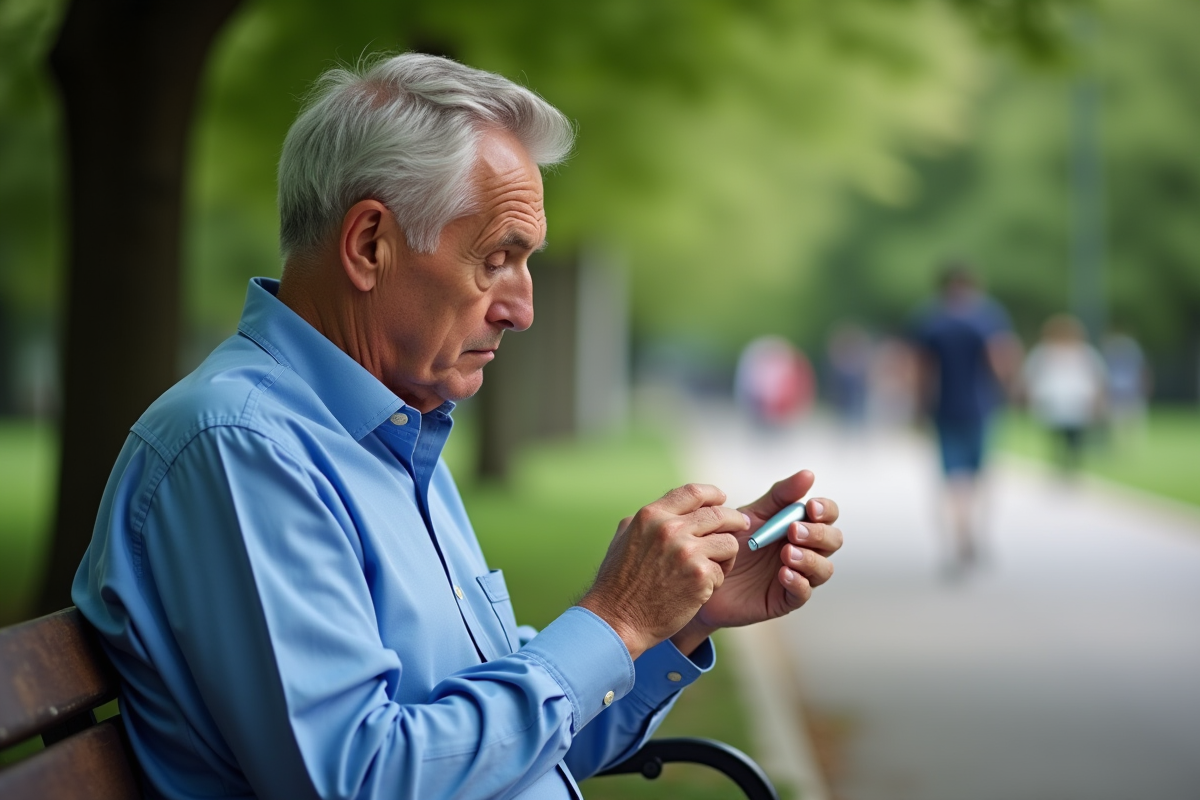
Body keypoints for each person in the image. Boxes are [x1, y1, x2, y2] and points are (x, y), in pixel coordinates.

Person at [71, 54, 843, 800]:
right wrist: (613, 618)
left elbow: (507, 753)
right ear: (370, 245)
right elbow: (365, 782)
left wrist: (675, 621)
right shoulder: (240, 449)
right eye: (497, 258)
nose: (523, 307)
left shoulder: (395, 432)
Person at [911, 263, 1019, 572]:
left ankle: (961, 536)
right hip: (981, 408)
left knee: (952, 478)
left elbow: (921, 368)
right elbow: (1000, 357)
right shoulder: (987, 317)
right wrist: (1009, 390)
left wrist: (919, 407)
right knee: (980, 475)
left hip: (944, 409)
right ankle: (973, 534)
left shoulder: (931, 319)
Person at [1022, 314, 1108, 472]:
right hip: (1052, 401)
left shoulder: (1085, 353)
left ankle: (1072, 464)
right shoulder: (1043, 353)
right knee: (1056, 435)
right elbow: (1031, 377)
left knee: (1075, 436)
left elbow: (1097, 378)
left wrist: (1098, 401)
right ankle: (1060, 463)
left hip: (1078, 401)